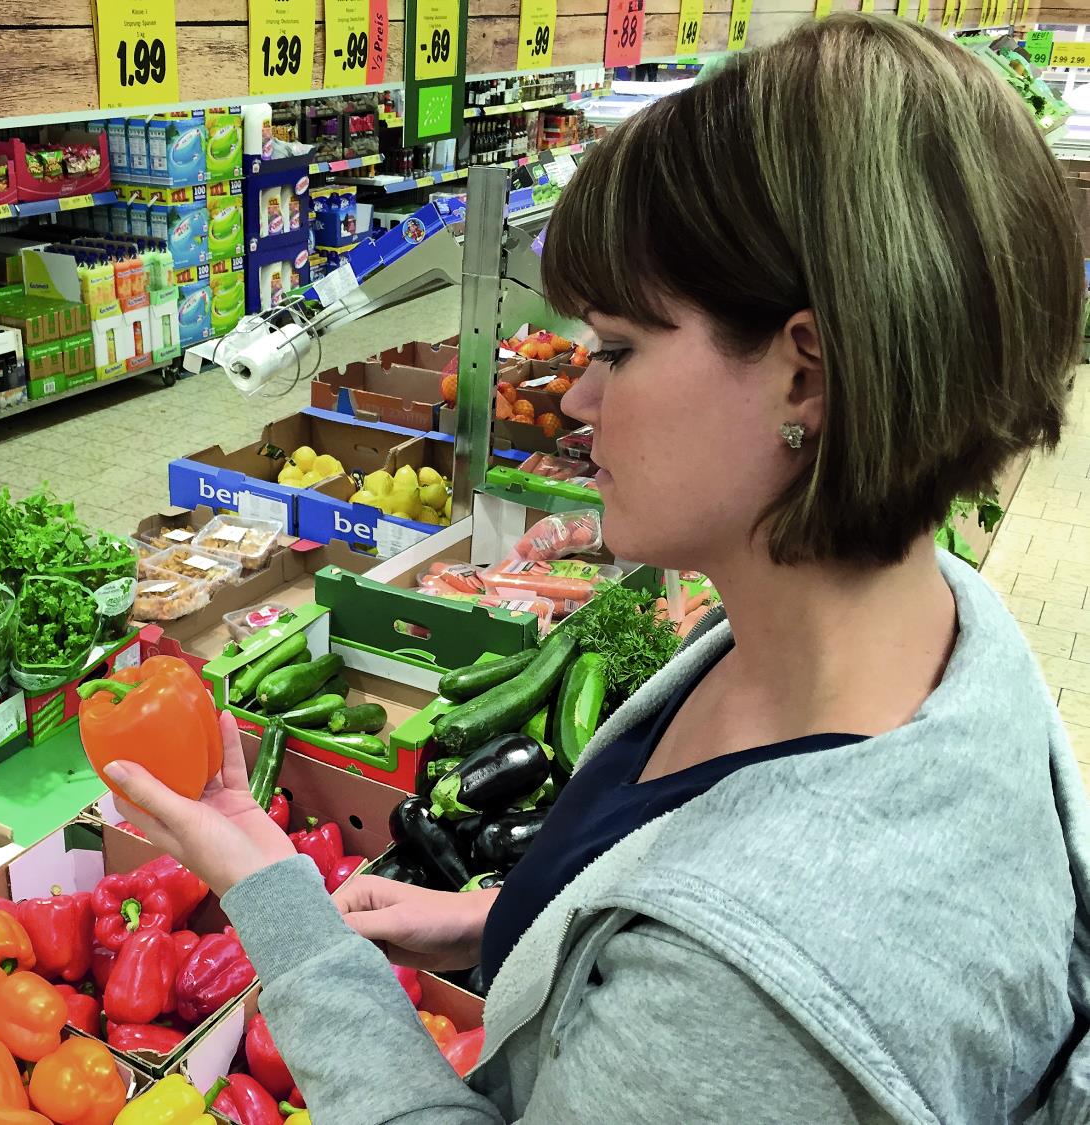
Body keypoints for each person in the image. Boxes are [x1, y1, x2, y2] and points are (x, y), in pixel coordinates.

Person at [107, 15, 1090, 1122]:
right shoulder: (930, 622)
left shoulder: (754, 1003)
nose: (575, 398)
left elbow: (723, 1000)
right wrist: (528, 928)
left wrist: (274, 902)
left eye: (619, 349)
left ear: (806, 378)